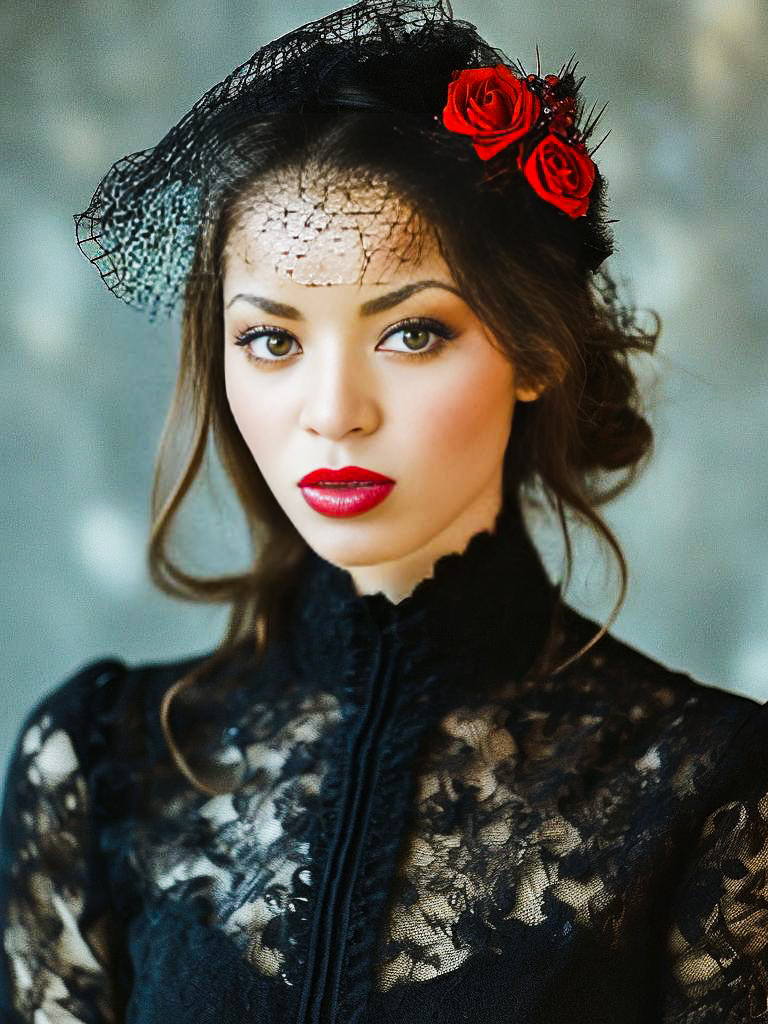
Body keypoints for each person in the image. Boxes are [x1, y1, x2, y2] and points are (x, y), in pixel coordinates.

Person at [1, 1, 766, 1021]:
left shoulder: (709, 791)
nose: (333, 414)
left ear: (535, 347)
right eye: (272, 340)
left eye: (410, 333)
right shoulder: (99, 762)